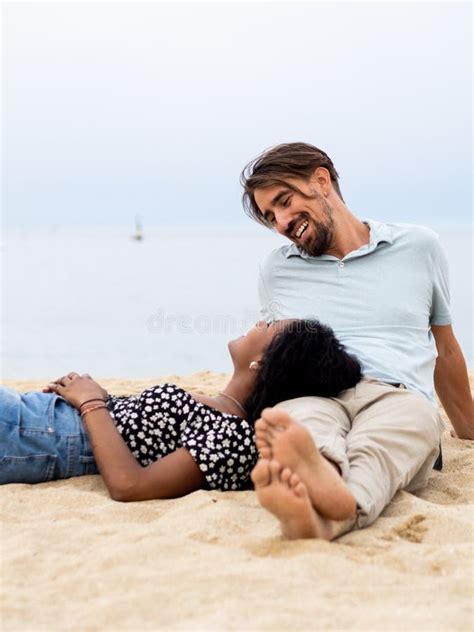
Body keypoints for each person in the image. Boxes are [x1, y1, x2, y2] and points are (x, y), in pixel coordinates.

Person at [240, 142, 473, 540]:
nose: (280, 222)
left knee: (404, 427)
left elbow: (445, 349)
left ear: (321, 180)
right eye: (269, 216)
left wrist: (468, 429)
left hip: (396, 391)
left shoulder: (419, 247)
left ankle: (325, 510)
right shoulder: (277, 269)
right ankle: (328, 489)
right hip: (315, 391)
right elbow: (278, 350)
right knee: (301, 423)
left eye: (284, 201)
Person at [0, 319, 362, 502]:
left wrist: (92, 403)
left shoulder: (234, 437)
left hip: (32, 437)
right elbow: (142, 434)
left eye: (268, 325)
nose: (258, 321)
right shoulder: (216, 405)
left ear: (261, 362)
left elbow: (130, 486)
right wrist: (94, 394)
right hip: (33, 416)